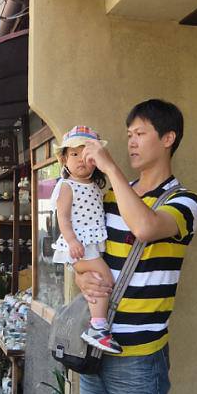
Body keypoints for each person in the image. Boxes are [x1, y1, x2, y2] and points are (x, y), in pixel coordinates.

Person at [75, 99, 197, 394]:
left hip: (139, 357)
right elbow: (82, 250)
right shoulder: (110, 194)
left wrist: (110, 166)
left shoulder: (185, 202)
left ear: (168, 138)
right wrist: (84, 276)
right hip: (94, 348)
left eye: (140, 133)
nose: (130, 142)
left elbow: (146, 227)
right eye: (129, 134)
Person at [51, 126, 121, 353]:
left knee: (96, 282)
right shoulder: (66, 186)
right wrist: (72, 242)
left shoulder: (95, 186)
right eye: (74, 154)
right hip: (79, 246)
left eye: (87, 155)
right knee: (105, 279)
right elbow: (62, 218)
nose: (81, 160)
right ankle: (97, 327)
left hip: (90, 244)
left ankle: (97, 326)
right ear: (63, 158)